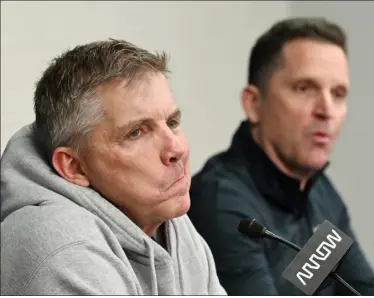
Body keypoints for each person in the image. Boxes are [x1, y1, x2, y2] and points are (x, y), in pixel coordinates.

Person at [187, 17, 374, 296]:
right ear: (254, 104)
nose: (326, 109)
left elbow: (365, 293)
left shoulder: (318, 192)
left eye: (338, 93)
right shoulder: (221, 203)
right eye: (304, 88)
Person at [1, 39, 227, 296]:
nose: (176, 149)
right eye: (136, 133)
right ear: (74, 167)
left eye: (172, 122)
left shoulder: (164, 215)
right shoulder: (61, 245)